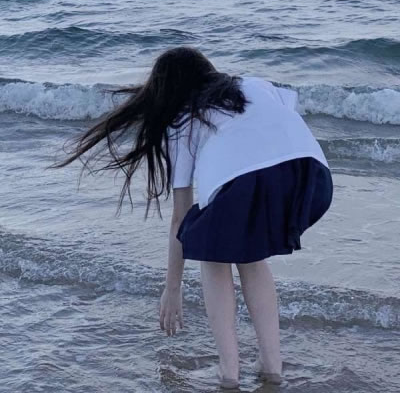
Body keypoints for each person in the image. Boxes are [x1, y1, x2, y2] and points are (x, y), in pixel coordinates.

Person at [50, 46, 333, 389]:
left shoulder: (182, 120)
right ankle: (272, 364)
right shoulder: (255, 84)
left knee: (209, 250)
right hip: (312, 178)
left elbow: (180, 219)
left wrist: (172, 288)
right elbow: (280, 125)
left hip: (253, 179)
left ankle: (229, 371)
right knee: (250, 255)